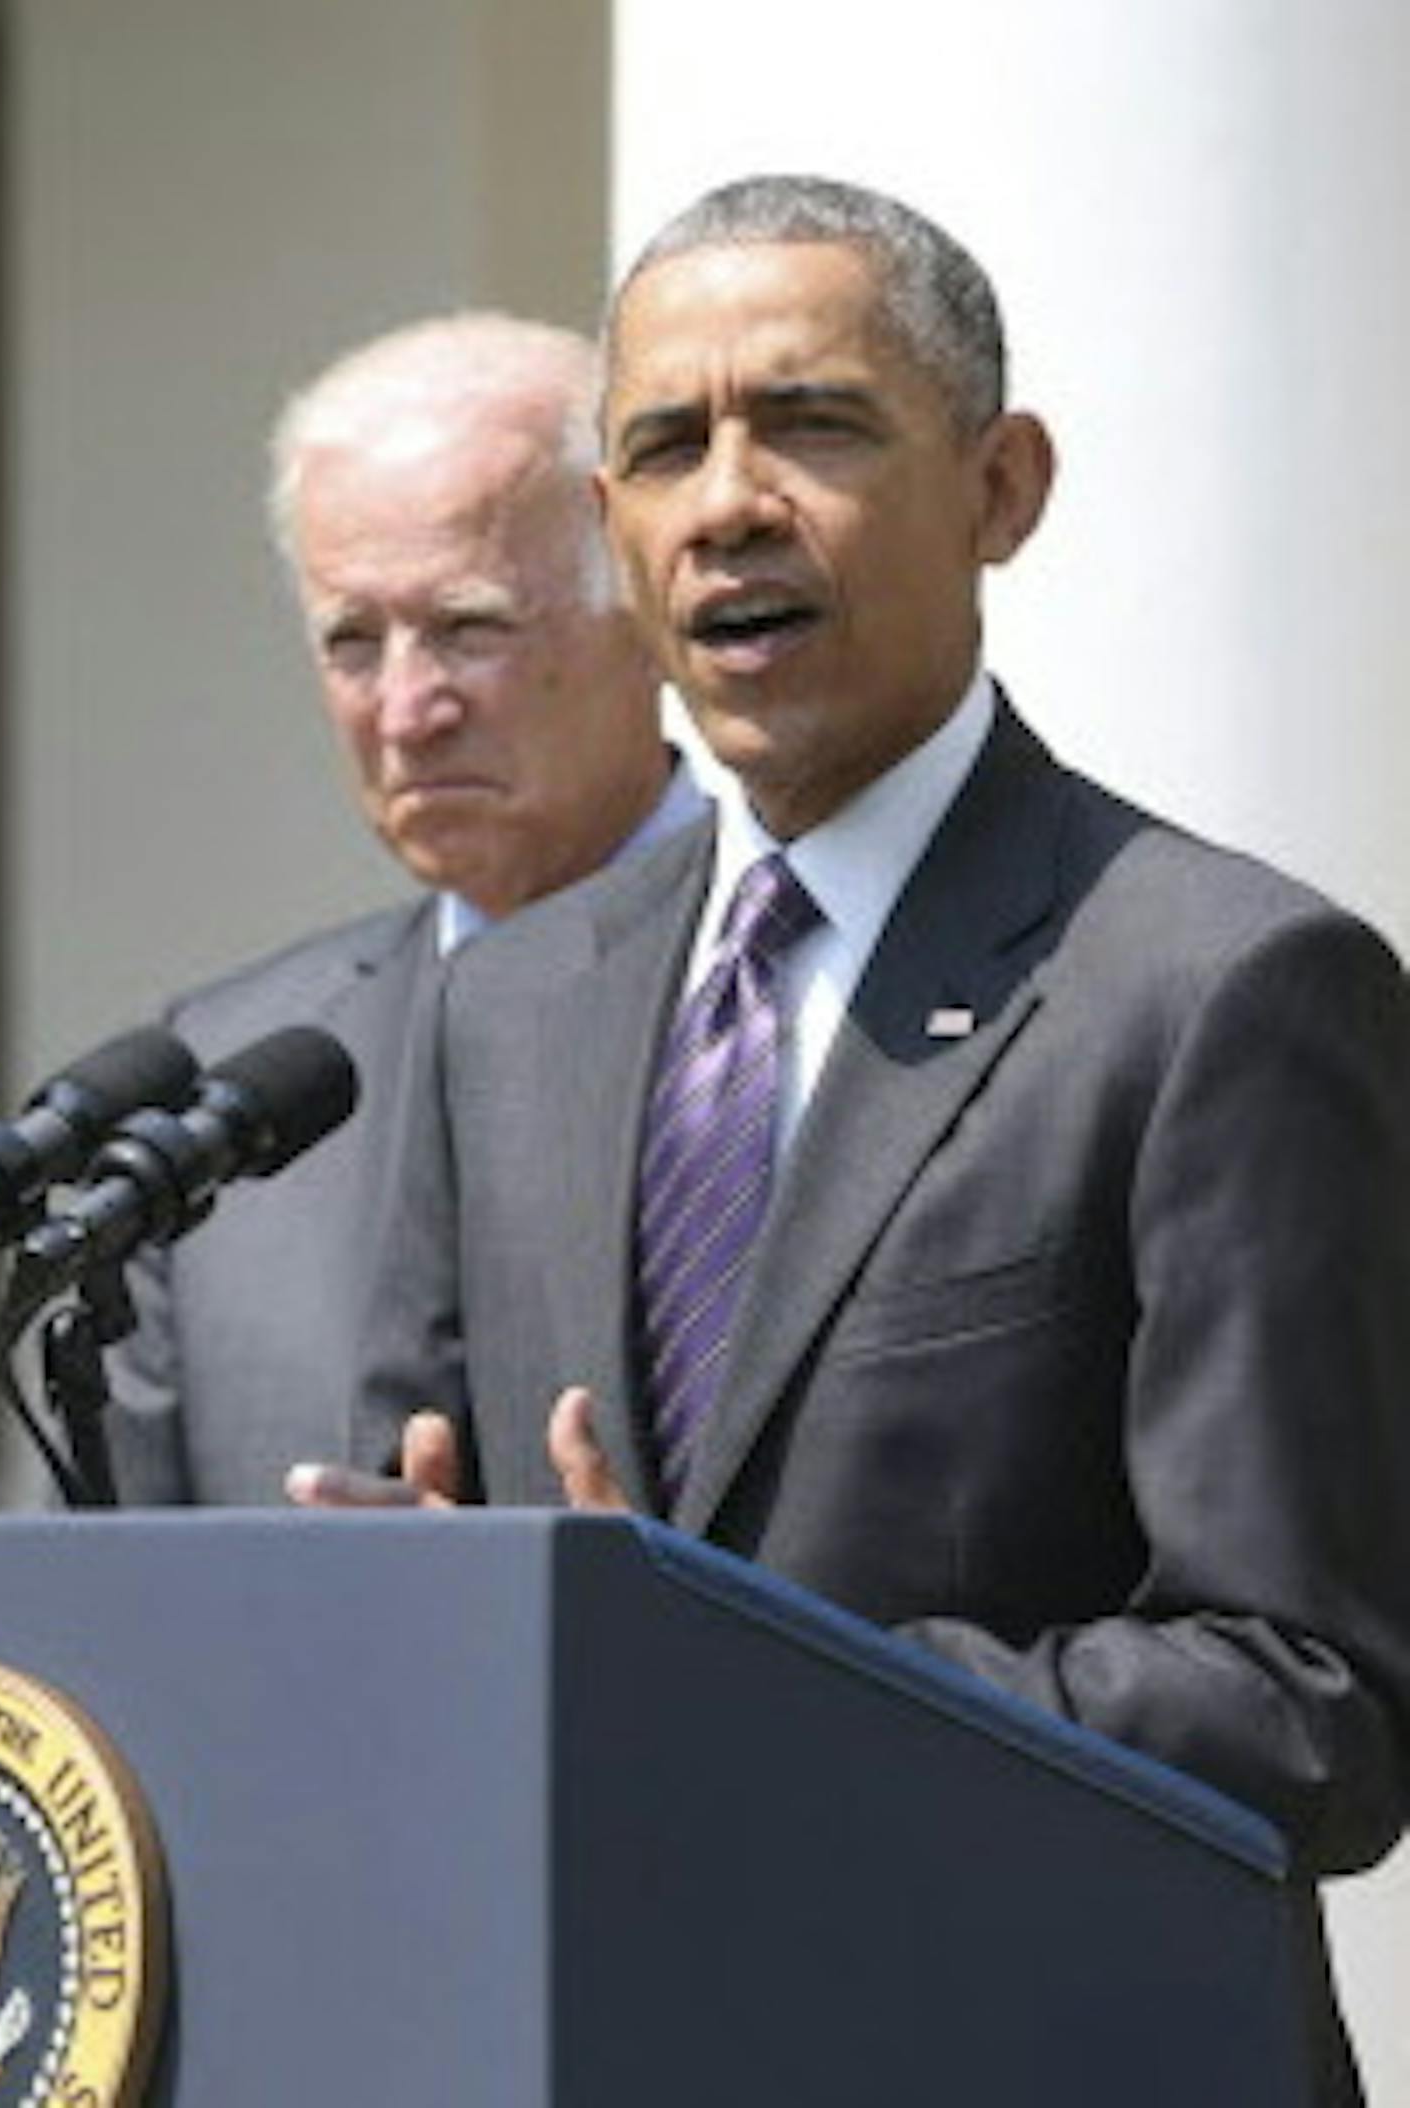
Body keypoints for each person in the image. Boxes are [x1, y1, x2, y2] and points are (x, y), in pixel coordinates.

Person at [299, 180, 1410, 2100]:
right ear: (614, 538)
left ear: (999, 490)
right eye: (661, 447)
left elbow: (1311, 1709)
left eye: (809, 422)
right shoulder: (505, 1009)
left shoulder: (1217, 981)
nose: (726, 499)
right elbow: (479, 1535)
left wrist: (722, 1663)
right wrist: (429, 1611)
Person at [104, 312, 706, 1503]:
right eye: (351, 641)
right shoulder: (221, 1083)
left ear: (642, 606)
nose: (405, 707)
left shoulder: (799, 1003)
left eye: (467, 626)